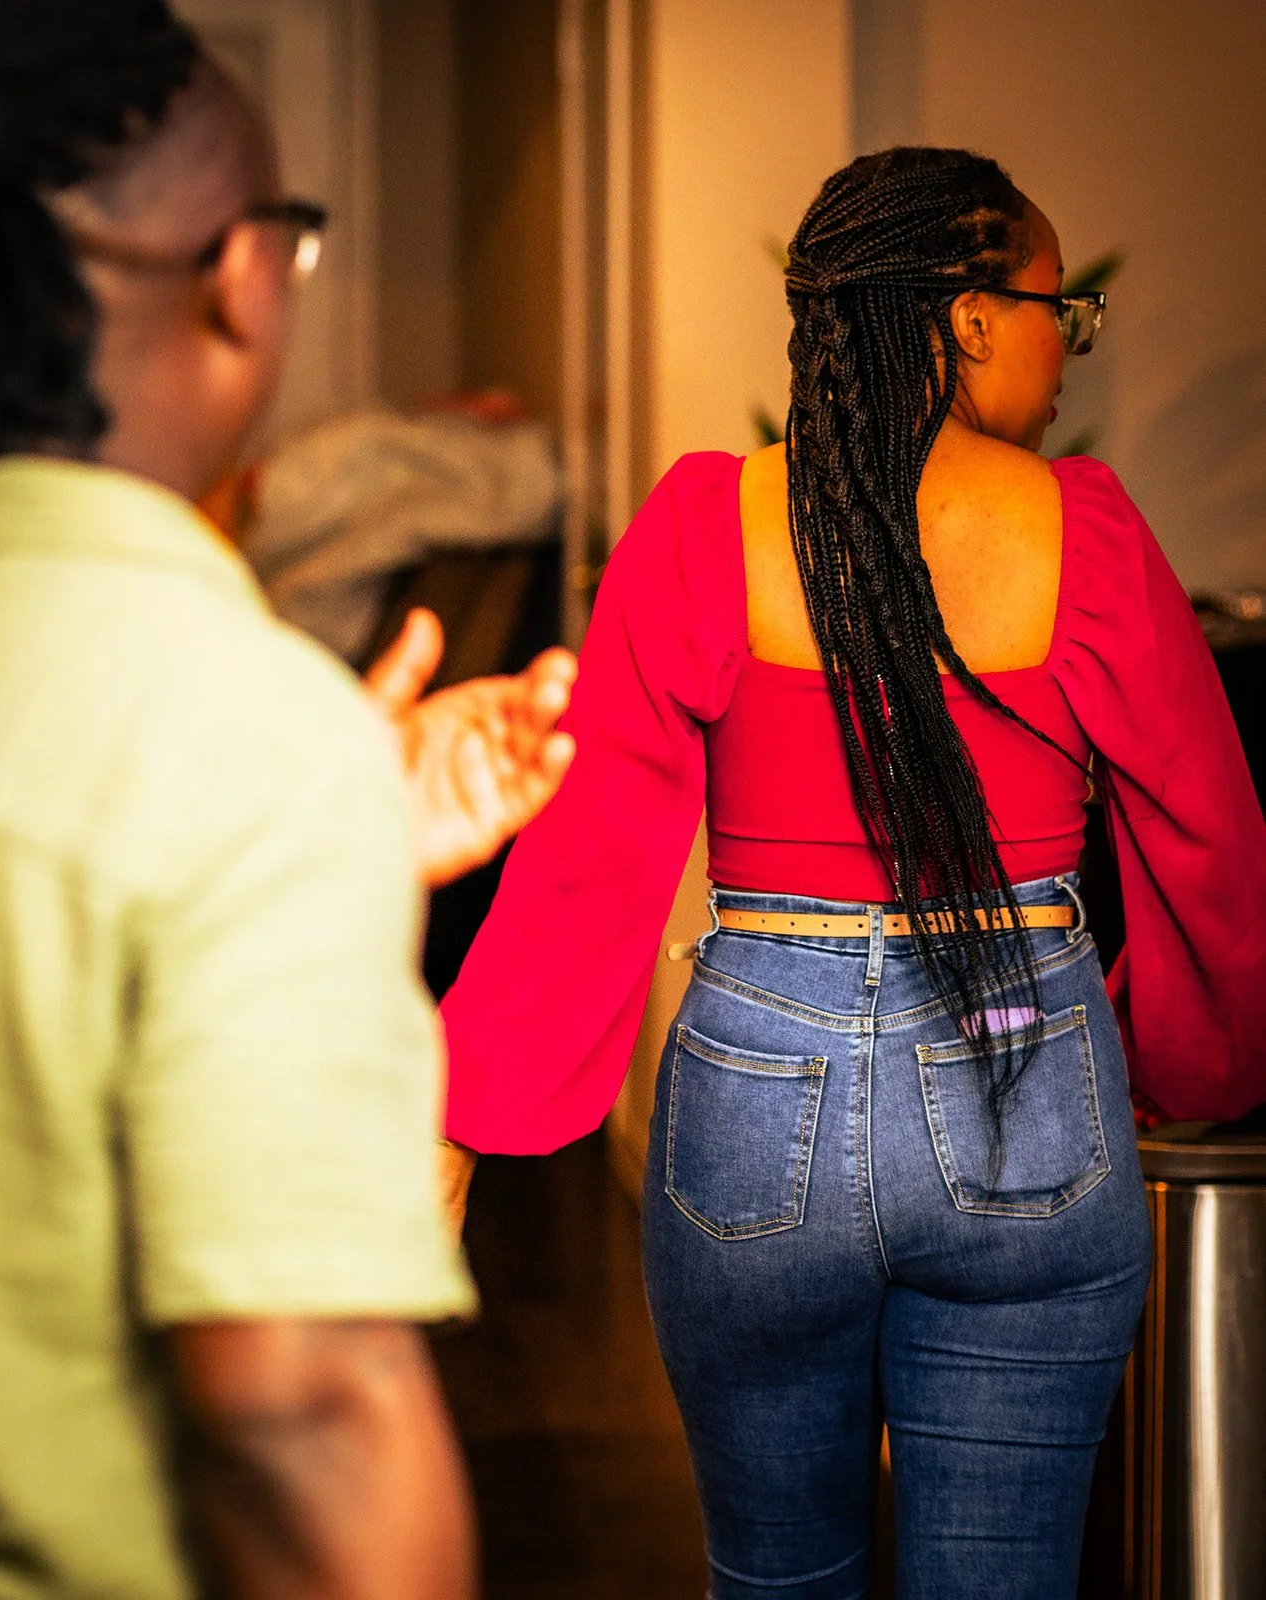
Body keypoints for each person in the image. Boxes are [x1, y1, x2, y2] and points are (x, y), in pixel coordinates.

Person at [440, 147, 1266, 1598]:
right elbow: (1213, 849)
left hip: (762, 1106)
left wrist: (469, 1125)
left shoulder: (707, 520)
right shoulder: (1093, 534)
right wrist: (1189, 1068)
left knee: (775, 1579)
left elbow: (594, 858)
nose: (1067, 345)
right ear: (963, 316)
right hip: (1025, 1083)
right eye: (1050, 308)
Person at [0, 2, 575, 1597]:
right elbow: (301, 1410)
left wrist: (345, 834)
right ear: (238, 277)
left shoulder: (242, 750)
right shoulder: (234, 737)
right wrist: (294, 804)